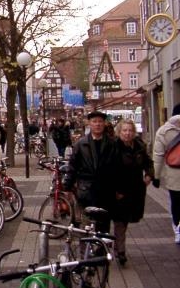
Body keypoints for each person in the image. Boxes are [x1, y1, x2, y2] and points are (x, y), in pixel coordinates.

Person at [63, 111, 120, 233]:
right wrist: (67, 187)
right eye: (94, 122)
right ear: (89, 124)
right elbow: (73, 167)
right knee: (86, 226)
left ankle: (101, 244)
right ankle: (86, 244)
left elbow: (118, 168)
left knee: (103, 226)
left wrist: (120, 189)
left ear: (104, 124)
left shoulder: (112, 144)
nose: (97, 124)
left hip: (106, 190)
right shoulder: (81, 144)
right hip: (86, 190)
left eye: (100, 122)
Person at [113, 119, 155, 265]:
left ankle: (117, 246)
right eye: (124, 130)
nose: (127, 133)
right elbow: (109, 169)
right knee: (120, 220)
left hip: (135, 189)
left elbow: (148, 162)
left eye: (130, 130)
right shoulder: (114, 147)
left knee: (126, 219)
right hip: (119, 189)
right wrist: (115, 190)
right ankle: (120, 251)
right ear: (119, 132)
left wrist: (149, 175)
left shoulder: (139, 145)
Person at [153, 103, 180, 244]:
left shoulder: (163, 131)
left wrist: (156, 176)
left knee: (176, 204)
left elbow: (158, 156)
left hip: (173, 175)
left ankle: (178, 231)